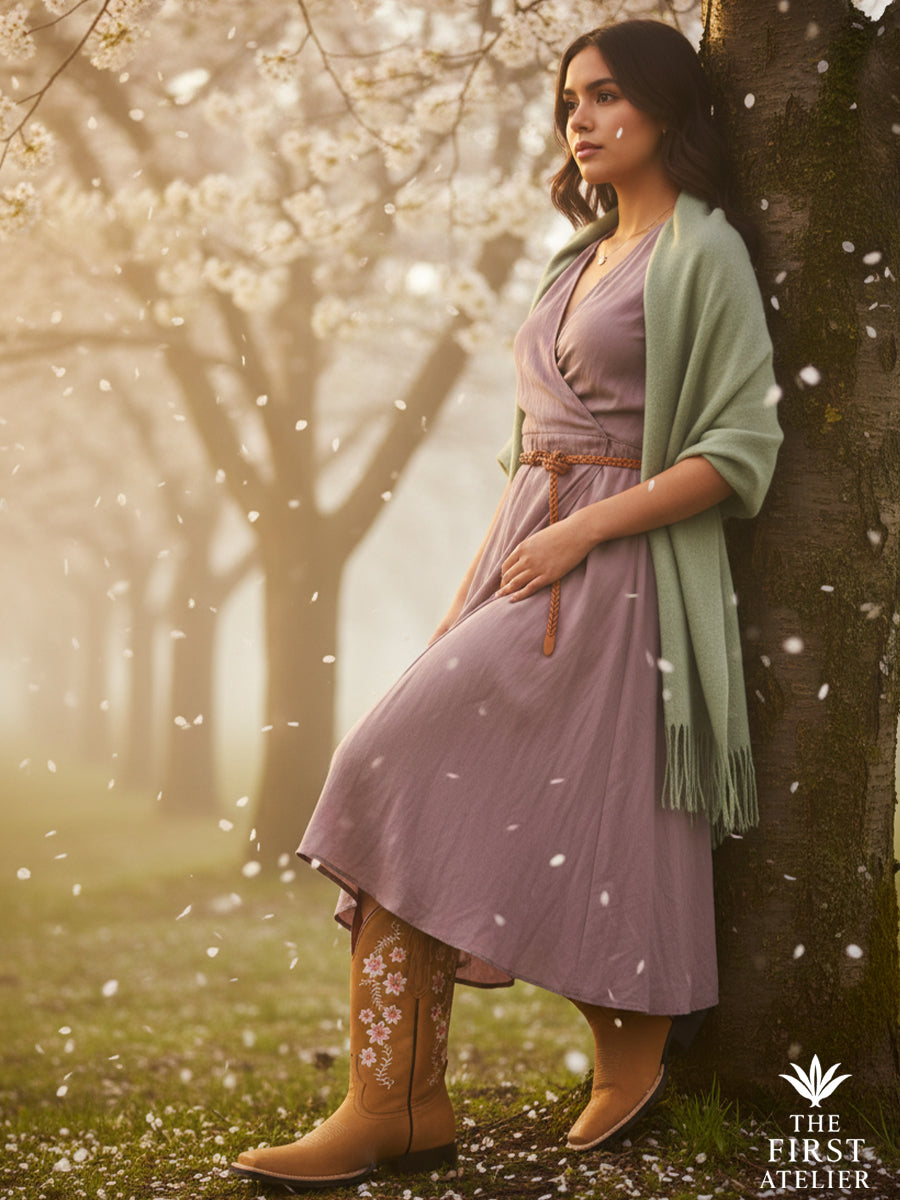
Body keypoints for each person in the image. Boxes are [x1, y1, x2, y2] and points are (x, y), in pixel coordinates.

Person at [231, 17, 782, 1193]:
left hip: (620, 576)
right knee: (404, 777)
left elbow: (737, 453)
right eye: (567, 99)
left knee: (426, 776)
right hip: (528, 555)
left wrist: (583, 531)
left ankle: (620, 1021)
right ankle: (396, 1103)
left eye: (604, 96)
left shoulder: (704, 253)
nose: (578, 118)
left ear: (667, 110)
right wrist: (465, 594)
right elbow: (531, 450)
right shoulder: (571, 259)